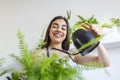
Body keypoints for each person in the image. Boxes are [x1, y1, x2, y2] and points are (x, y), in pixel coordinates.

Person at [36, 16, 110, 67]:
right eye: (55, 26)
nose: (59, 30)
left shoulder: (72, 55)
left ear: (66, 34)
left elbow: (104, 63)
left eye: (63, 28)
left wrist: (96, 39)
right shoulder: (38, 54)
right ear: (49, 30)